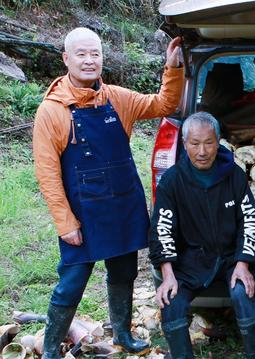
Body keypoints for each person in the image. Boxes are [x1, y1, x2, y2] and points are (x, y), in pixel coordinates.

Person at [32, 27, 183, 358]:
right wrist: (64, 222)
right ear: (66, 59)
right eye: (82, 54)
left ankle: (123, 335)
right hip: (82, 212)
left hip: (122, 205)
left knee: (125, 272)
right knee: (72, 281)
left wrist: (173, 67)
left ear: (102, 57)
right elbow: (47, 173)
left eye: (95, 54)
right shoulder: (52, 111)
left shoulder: (117, 97)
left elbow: (164, 103)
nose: (89, 61)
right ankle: (50, 349)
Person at [148, 112, 255, 358]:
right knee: (171, 303)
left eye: (209, 143)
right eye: (194, 143)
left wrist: (244, 263)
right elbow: (162, 228)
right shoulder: (172, 180)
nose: (202, 151)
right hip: (191, 260)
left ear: (218, 141)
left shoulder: (234, 175)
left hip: (232, 257)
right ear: (184, 144)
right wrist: (168, 274)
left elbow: (250, 220)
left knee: (243, 293)